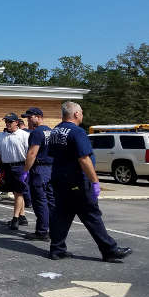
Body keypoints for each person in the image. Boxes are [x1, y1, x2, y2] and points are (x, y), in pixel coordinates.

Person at [47, 101, 132, 262]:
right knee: (91, 215)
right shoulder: (77, 132)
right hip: (77, 181)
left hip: (59, 180)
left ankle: (57, 249)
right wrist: (95, 182)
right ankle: (110, 250)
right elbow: (84, 159)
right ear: (76, 114)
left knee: (61, 215)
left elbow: (53, 154)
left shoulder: (56, 131)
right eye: (82, 113)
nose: (82, 115)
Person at [20, 108, 54, 241]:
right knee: (51, 202)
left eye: (30, 117)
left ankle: (41, 232)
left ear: (39, 117)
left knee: (40, 202)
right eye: (27, 118)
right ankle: (53, 229)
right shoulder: (51, 131)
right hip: (51, 169)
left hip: (39, 170)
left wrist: (25, 171)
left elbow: (32, 153)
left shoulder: (37, 132)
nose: (28, 120)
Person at [0, 112, 30, 230]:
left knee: (18, 192)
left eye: (10, 121)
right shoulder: (1, 136)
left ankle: (15, 219)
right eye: (6, 121)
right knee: (16, 192)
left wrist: (27, 169)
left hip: (20, 166)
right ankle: (22, 216)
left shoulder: (24, 135)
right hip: (7, 167)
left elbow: (30, 153)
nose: (7, 124)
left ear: (16, 123)